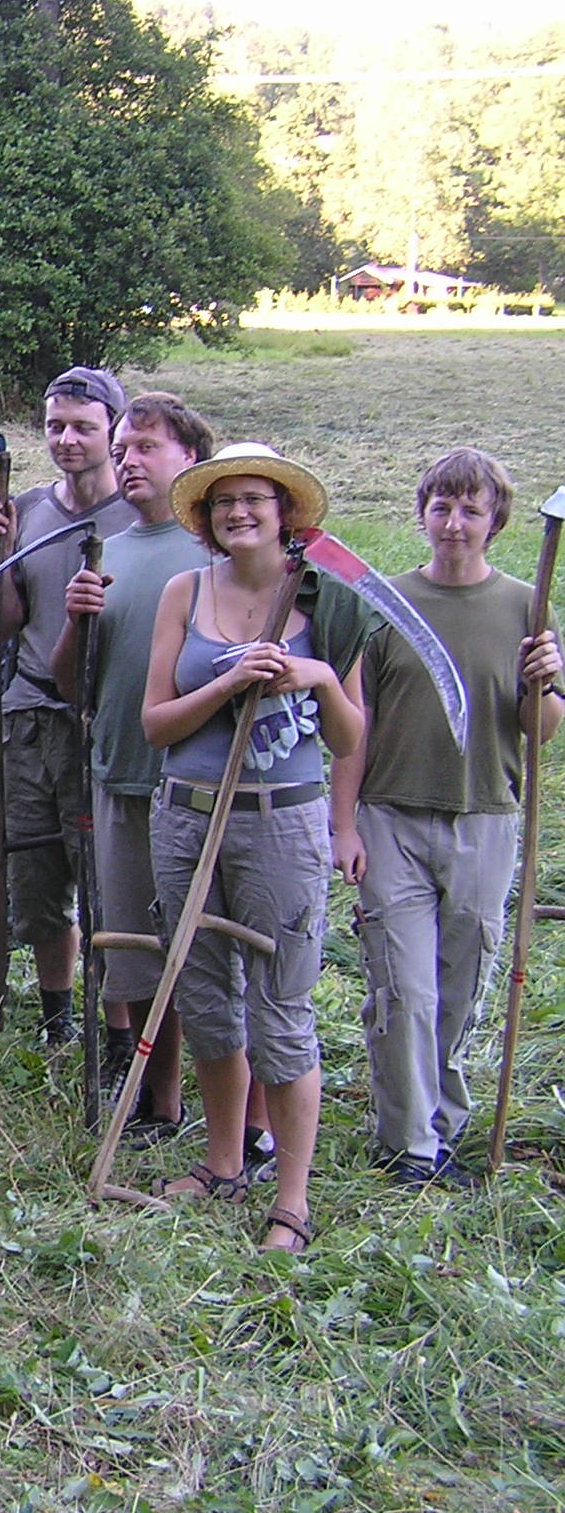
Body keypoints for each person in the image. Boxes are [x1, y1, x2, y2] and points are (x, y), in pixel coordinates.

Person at [141, 442, 371, 1253]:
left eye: (255, 501)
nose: (240, 513)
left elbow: (347, 738)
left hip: (281, 822)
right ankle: (221, 1163)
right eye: (224, 502)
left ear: (284, 514)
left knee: (282, 1007)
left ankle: (292, 1201)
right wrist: (228, 684)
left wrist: (315, 678)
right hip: (188, 813)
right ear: (206, 519)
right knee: (203, 995)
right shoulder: (184, 589)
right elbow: (157, 723)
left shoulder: (324, 603)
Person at [50, 393, 275, 1165]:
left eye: (145, 446)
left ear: (189, 463)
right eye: (123, 447)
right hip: (119, 773)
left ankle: (249, 1116)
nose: (127, 459)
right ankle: (162, 1096)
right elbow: (70, 686)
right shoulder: (108, 551)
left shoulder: (213, 559)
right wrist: (77, 621)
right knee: (142, 949)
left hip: (201, 786)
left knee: (212, 956)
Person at [331, 449, 563, 1188]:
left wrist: (545, 683)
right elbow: (352, 724)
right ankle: (408, 1148)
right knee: (404, 988)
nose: (454, 523)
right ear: (421, 513)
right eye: (441, 507)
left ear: (495, 519)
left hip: (486, 819)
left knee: (460, 985)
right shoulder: (384, 604)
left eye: (470, 509)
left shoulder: (527, 607)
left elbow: (541, 728)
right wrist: (344, 826)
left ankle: (442, 1120)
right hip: (390, 818)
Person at [0, 366, 140, 1041]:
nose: (67, 440)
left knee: (105, 880)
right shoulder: (33, 510)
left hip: (104, 723)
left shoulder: (136, 516)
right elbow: (6, 619)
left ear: (114, 433)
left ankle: (120, 1029)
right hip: (29, 713)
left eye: (83, 427)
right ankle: (56, 1016)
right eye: (54, 427)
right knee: (37, 878)